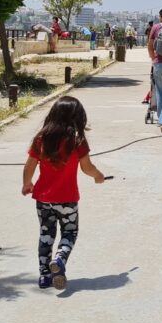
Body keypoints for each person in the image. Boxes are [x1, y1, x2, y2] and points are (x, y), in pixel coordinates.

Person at [21, 96, 105, 290]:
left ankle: (44, 276)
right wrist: (98, 176)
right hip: (67, 200)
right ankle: (59, 260)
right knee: (70, 232)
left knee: (46, 234)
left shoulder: (40, 139)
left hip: (43, 199)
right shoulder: (77, 141)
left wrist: (27, 183)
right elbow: (87, 167)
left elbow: (29, 166)